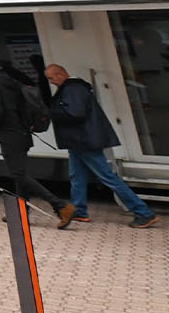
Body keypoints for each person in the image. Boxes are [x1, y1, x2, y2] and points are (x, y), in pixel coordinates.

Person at [45, 64, 160, 229]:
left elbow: (75, 113)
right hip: (80, 140)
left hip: (83, 140)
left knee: (107, 177)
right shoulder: (75, 87)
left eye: (51, 78)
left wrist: (51, 112)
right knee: (77, 176)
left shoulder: (72, 89)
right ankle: (79, 211)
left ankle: (144, 213)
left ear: (60, 74)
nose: (51, 82)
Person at [0, 59, 75, 228]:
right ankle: (20, 213)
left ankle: (60, 205)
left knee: (18, 174)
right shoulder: (14, 82)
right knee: (20, 173)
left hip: (9, 134)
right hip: (23, 133)